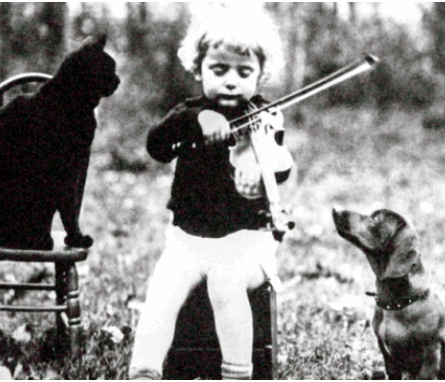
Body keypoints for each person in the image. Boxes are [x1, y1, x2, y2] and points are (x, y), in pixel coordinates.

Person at [129, 5, 292, 380]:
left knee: (227, 280)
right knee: (161, 293)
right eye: (219, 70)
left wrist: (263, 167)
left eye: (244, 72)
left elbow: (280, 164)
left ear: (260, 75)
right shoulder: (189, 114)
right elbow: (156, 145)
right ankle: (144, 371)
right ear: (199, 68)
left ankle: (237, 373)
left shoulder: (265, 119)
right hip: (187, 241)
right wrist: (197, 120)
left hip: (247, 243)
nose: (231, 81)